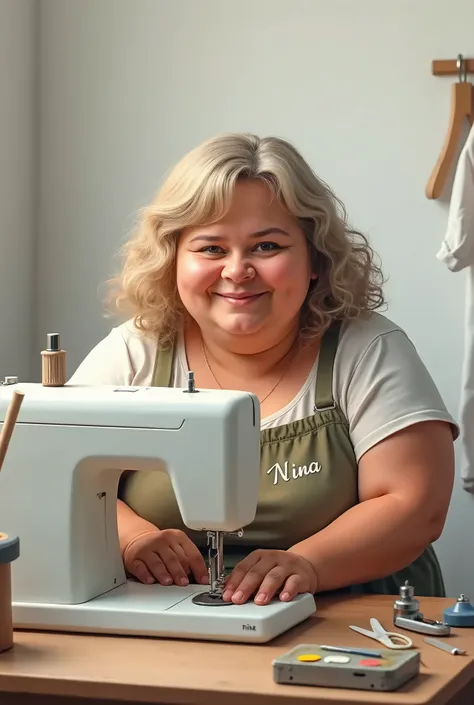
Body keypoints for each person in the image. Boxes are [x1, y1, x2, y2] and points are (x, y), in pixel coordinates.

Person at [69, 132, 458, 605]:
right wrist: (132, 539)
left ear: (314, 258)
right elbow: (66, 476)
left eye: (267, 246)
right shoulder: (136, 351)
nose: (237, 270)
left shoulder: (368, 350)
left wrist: (308, 564)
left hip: (353, 616)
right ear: (174, 259)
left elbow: (414, 506)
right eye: (211, 249)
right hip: (170, 616)